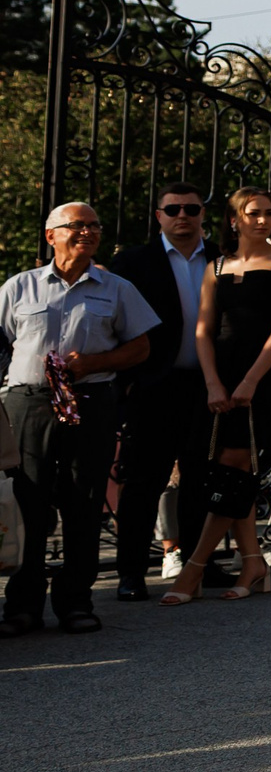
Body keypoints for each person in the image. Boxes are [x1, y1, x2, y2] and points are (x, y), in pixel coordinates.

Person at [1, 203, 155, 635]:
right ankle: (21, 607)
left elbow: (141, 348)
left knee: (83, 502)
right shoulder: (20, 287)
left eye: (94, 226)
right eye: (76, 226)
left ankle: (75, 602)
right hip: (28, 404)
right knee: (26, 503)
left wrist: (94, 362)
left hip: (90, 402)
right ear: (51, 236)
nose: (87, 232)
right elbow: (3, 344)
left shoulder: (117, 288)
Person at [165, 190, 271, 603]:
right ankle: (252, 561)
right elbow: (204, 331)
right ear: (233, 220)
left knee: (233, 466)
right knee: (234, 471)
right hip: (221, 376)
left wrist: (251, 381)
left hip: (266, 375)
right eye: (253, 213)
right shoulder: (216, 266)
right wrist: (213, 382)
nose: (262, 221)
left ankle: (192, 570)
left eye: (269, 213)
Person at [107, 182, 214, 599]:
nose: (182, 216)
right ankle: (131, 573)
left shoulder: (223, 260)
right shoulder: (132, 262)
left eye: (191, 208)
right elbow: (113, 325)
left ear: (203, 213)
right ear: (159, 216)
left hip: (207, 386)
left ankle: (196, 567)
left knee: (200, 480)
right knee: (143, 483)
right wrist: (127, 384)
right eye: (173, 210)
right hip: (153, 387)